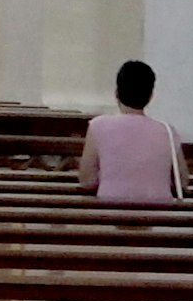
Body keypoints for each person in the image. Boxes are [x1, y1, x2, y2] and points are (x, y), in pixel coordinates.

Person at [79, 60, 185, 203]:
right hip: (159, 215)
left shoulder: (98, 126)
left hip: (110, 213)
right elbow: (183, 180)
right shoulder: (168, 131)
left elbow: (87, 180)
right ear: (150, 96)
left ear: (116, 93)